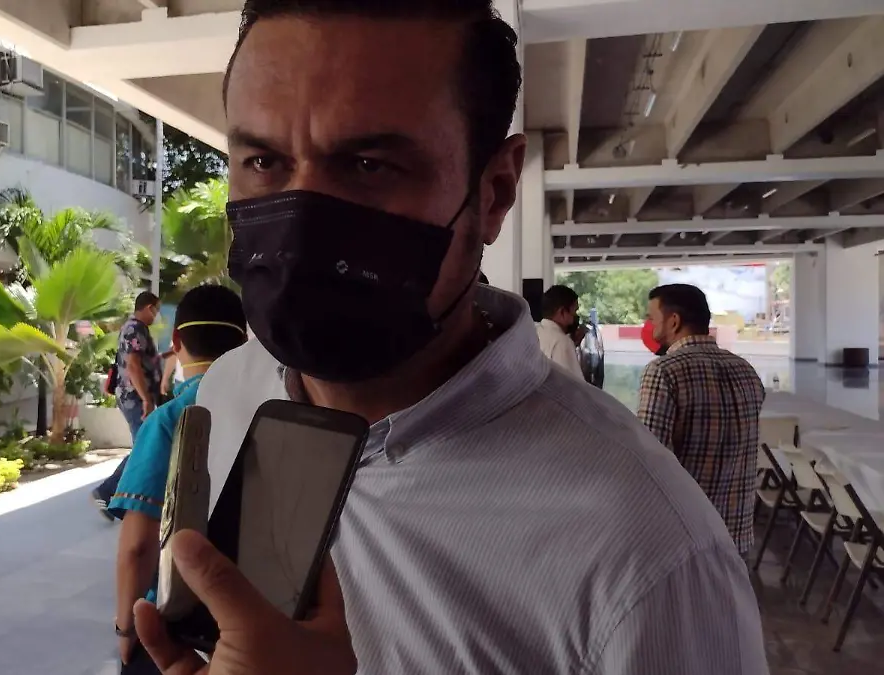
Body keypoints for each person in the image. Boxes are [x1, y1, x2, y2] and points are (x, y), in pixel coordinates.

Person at [134, 2, 769, 674]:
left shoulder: (652, 560)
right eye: (263, 160)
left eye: (369, 165)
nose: (298, 230)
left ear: (494, 190)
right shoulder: (233, 388)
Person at [109, 285, 248, 673]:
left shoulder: (170, 419)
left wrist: (126, 628)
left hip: (178, 626)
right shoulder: (270, 410)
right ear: (242, 344)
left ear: (176, 341)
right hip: (256, 615)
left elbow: (138, 546)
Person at [637, 284, 766, 559]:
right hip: (736, 534)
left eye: (652, 318)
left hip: (686, 535)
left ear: (673, 321)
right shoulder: (747, 371)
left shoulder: (663, 371)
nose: (649, 325)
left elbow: (649, 461)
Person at [92, 291, 163, 519]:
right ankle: (107, 492)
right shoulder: (135, 329)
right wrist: (146, 399)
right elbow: (133, 366)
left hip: (134, 396)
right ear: (149, 307)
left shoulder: (134, 328)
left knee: (144, 446)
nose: (156, 315)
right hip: (135, 398)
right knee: (144, 447)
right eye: (156, 310)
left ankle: (118, 495)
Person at [535, 284, 586, 380]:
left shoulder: (534, 332)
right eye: (574, 312)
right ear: (562, 312)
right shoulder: (562, 342)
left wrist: (573, 344)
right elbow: (576, 385)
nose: (575, 317)